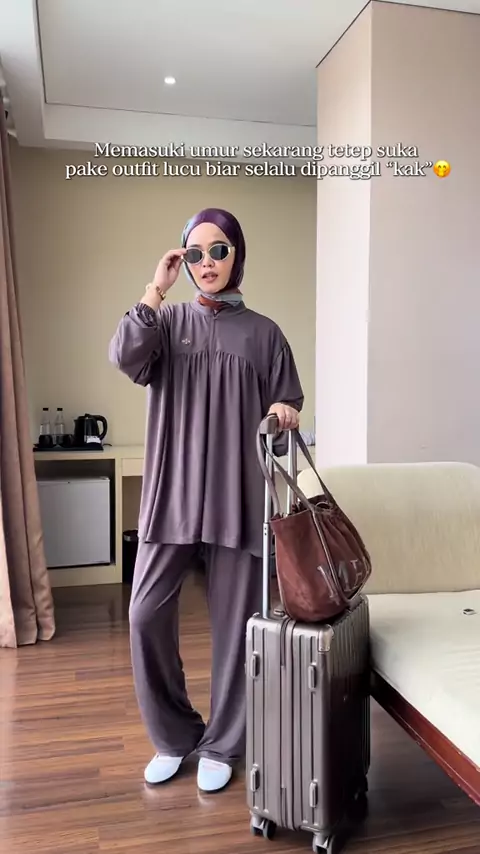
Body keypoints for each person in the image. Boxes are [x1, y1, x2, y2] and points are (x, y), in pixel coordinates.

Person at [109, 208, 303, 793]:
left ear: (236, 255)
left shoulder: (265, 334)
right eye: (194, 254)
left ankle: (223, 742)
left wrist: (282, 414)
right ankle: (174, 735)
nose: (207, 263)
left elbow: (283, 415)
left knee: (237, 625)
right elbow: (125, 356)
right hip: (171, 491)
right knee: (144, 614)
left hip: (237, 495)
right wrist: (155, 289)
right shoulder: (165, 324)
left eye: (219, 250)